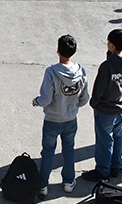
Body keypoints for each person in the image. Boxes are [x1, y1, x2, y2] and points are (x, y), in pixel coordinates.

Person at [32, 35, 89, 196]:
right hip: (71, 119)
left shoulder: (51, 72)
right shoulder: (81, 71)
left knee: (48, 152)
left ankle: (43, 185)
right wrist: (72, 106)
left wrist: (36, 101)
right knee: (69, 150)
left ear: (57, 50)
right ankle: (69, 182)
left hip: (52, 120)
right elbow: (84, 99)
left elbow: (46, 99)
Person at [82, 29, 122, 182]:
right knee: (118, 137)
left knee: (104, 141)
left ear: (111, 44)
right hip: (121, 107)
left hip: (106, 109)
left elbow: (100, 88)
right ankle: (115, 166)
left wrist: (95, 103)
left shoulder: (107, 66)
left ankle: (102, 170)